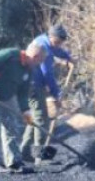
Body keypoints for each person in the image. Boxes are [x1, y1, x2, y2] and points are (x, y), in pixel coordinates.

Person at [0, 41, 48, 174]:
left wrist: (26, 112)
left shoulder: (28, 70)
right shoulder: (10, 56)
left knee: (12, 128)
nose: (39, 65)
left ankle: (14, 162)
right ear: (35, 57)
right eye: (40, 61)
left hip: (7, 97)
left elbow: (23, 93)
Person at [21, 24, 74, 163]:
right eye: (57, 42)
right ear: (51, 37)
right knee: (41, 119)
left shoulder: (43, 39)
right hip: (34, 85)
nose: (58, 45)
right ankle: (39, 156)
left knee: (35, 118)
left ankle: (24, 152)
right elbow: (48, 75)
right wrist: (57, 95)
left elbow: (56, 49)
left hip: (31, 83)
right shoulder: (45, 49)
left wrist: (68, 57)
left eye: (61, 43)